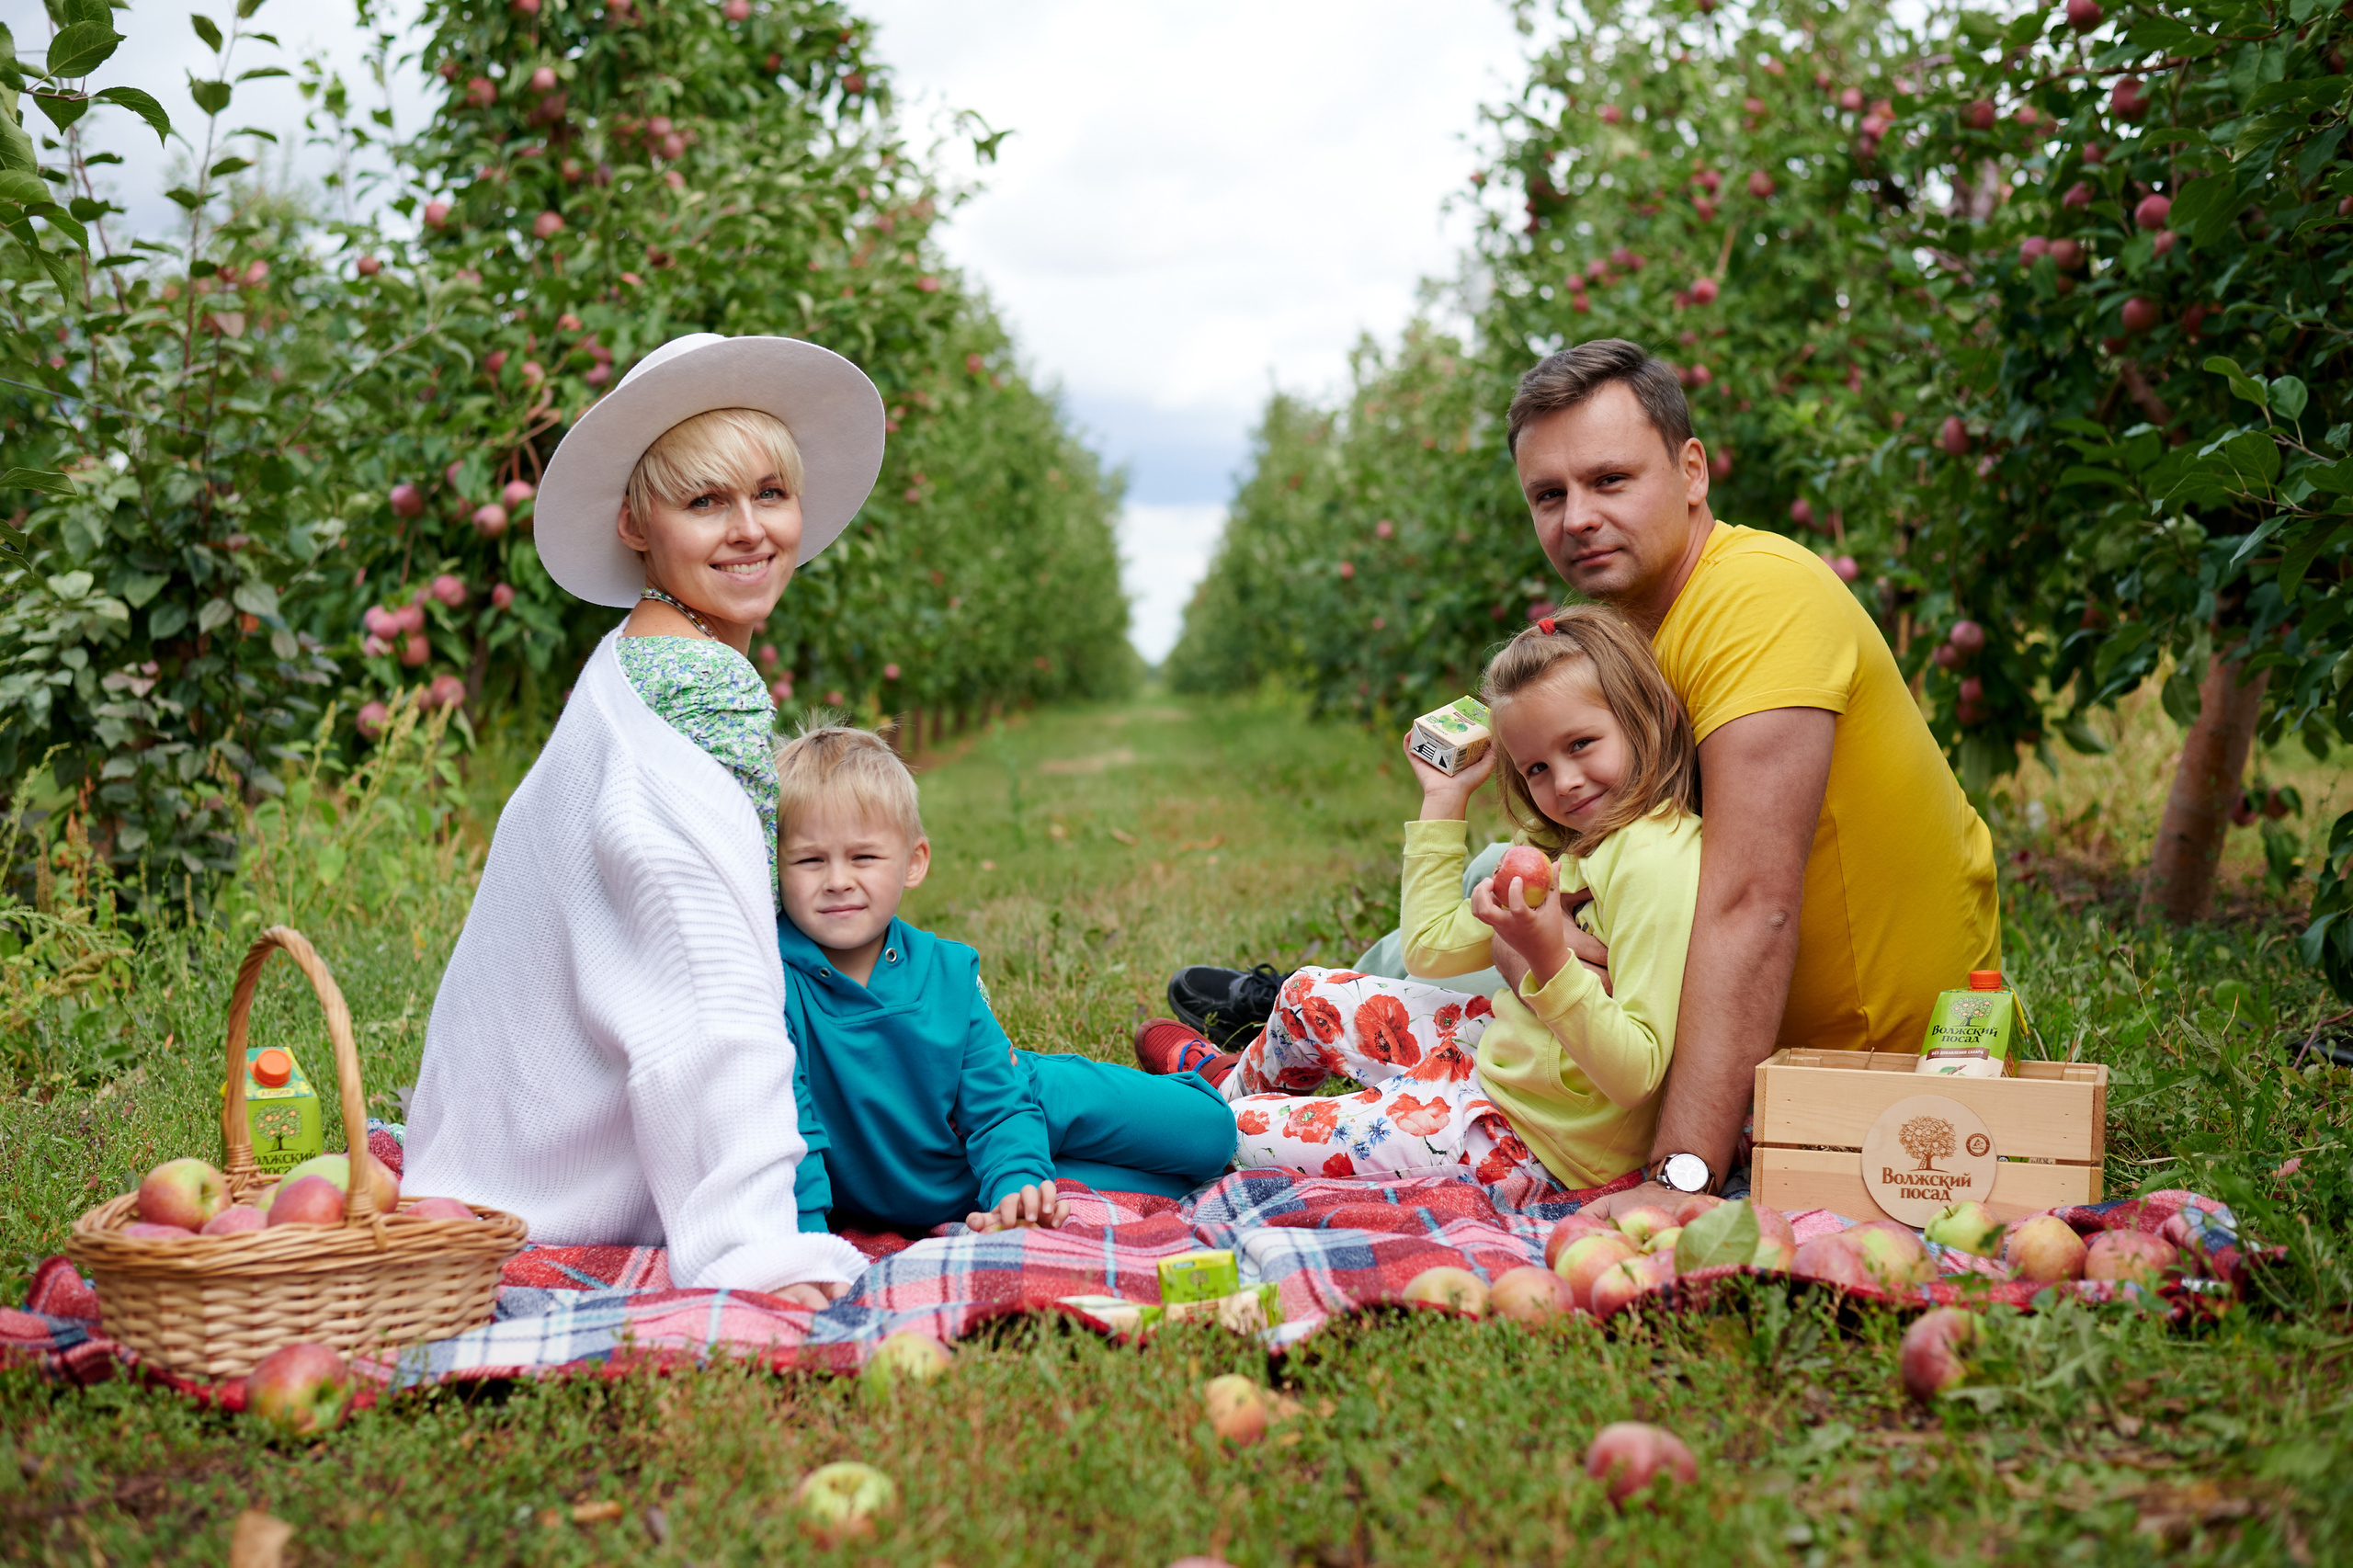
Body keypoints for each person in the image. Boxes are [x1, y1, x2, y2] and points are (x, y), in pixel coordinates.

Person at [405, 334, 886, 1302]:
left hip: (511, 1134)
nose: (750, 530)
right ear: (636, 521)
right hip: (574, 1165)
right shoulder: (693, 690)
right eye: (705, 501)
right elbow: (712, 973)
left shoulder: (637, 659)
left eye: (770, 493)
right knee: (1121, 1122)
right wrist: (753, 1245)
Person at [1508, 340, 1999, 1211]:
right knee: (1487, 910)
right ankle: (1288, 1024)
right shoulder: (1634, 636)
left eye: (1610, 480)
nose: (1576, 517)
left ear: (1692, 471)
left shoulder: (1757, 601)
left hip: (1857, 1066)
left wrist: (1681, 1179)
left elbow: (1753, 903)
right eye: (1550, 495)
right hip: (1706, 1030)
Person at [1138, 606, 1703, 1190]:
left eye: (1582, 744)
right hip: (1505, 1054)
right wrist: (1445, 795)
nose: (1563, 782)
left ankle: (1200, 1111)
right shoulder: (1578, 844)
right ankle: (1227, 1083)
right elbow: (1429, 950)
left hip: (1534, 1138)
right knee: (1304, 994)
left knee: (1236, 1132)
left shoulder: (1654, 862)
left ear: (1647, 718)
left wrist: (1547, 955)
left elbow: (1637, 1073)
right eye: (1535, 767)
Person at [776, 723, 1237, 1232]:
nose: (838, 880)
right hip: (957, 1181)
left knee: (1212, 1135)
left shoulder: (945, 972)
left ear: (913, 861)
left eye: (863, 856)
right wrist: (806, 1244)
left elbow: (995, 1101)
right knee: (1172, 1186)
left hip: (1014, 1098)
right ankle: (1033, 1167)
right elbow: (788, 1133)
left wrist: (1016, 1173)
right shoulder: (771, 985)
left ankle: (1208, 1074)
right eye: (810, 860)